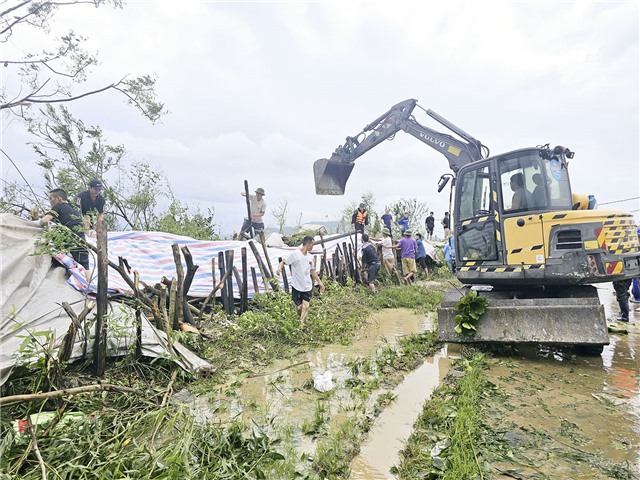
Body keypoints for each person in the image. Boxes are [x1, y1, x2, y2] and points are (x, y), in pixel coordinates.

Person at [40, 188, 91, 282]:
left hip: (68, 241)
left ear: (58, 198)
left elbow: (44, 221)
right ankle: (90, 286)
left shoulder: (59, 206)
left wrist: (39, 219)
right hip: (81, 242)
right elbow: (85, 227)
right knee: (86, 266)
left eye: (51, 198)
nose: (50, 201)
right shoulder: (75, 210)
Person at [276, 236, 325, 325]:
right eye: (312, 245)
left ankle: (301, 327)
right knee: (299, 308)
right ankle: (305, 322)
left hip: (307, 286)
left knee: (306, 306)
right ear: (308, 243)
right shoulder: (295, 254)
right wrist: (279, 268)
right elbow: (284, 262)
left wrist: (320, 283)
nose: (312, 247)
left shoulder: (310, 257)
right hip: (297, 286)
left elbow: (313, 271)